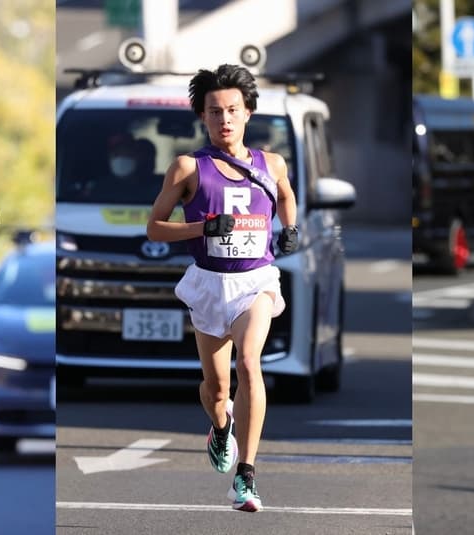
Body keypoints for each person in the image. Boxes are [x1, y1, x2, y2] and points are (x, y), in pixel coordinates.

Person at [146, 64, 298, 513]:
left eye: (233, 110)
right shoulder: (188, 167)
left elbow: (286, 195)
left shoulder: (271, 163)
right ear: (202, 117)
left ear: (249, 112)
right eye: (215, 112)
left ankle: (246, 478)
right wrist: (203, 226)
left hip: (257, 281)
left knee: (249, 363)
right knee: (216, 389)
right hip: (210, 283)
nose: (225, 119)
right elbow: (155, 228)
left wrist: (290, 228)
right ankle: (220, 425)